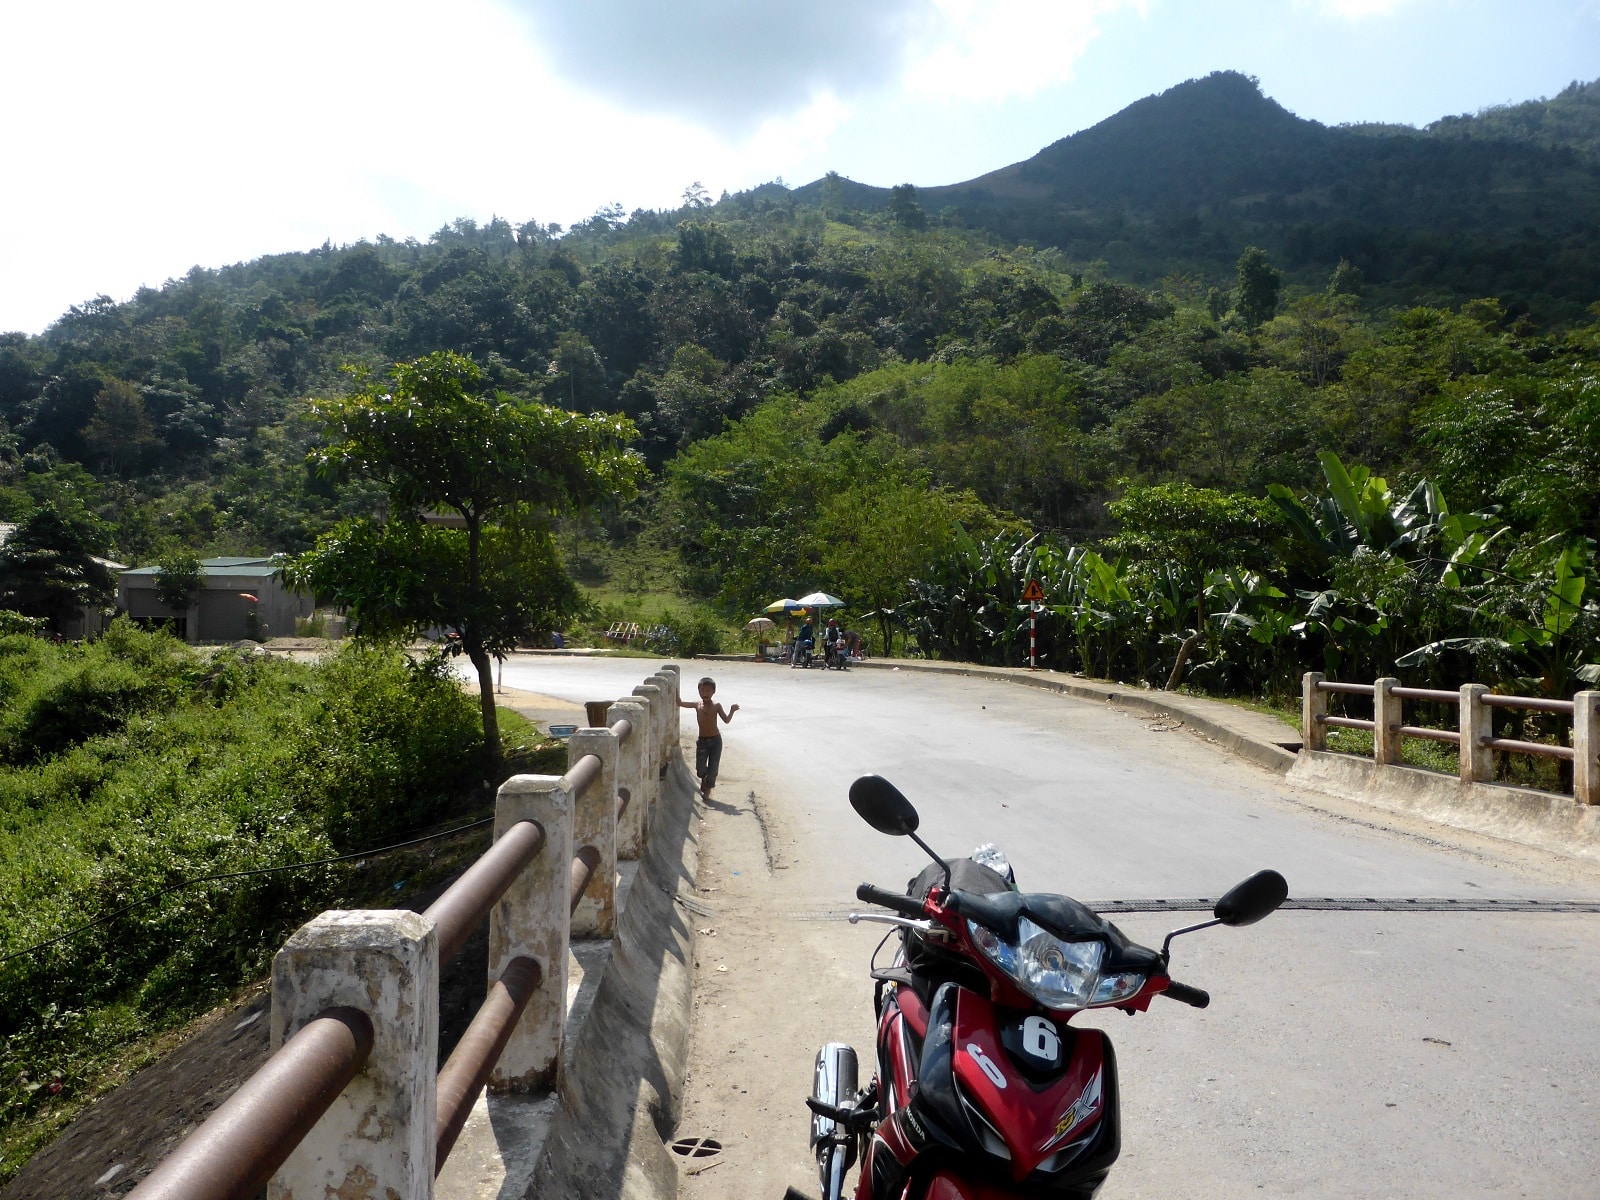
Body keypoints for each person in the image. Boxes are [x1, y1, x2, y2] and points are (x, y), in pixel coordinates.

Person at [679, 676, 738, 797]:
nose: (705, 693)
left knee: (713, 767)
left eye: (708, 691)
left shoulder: (717, 706)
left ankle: (708, 789)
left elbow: (726, 720)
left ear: (713, 692)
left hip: (716, 741)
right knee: (700, 769)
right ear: (699, 691)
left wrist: (732, 711)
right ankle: (703, 778)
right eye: (702, 690)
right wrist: (674, 689)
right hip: (702, 741)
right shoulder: (697, 705)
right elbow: (680, 703)